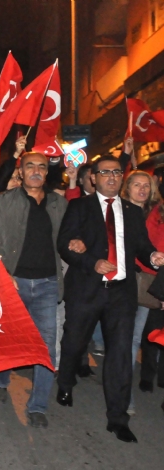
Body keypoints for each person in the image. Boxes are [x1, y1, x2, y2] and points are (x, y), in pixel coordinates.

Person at [56, 156, 164, 443]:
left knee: (119, 354)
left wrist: (152, 256)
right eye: (106, 173)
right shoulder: (79, 206)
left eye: (117, 172)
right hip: (87, 289)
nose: (112, 178)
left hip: (120, 293)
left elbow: (141, 245)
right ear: (93, 178)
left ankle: (118, 418)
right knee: (74, 343)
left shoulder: (130, 211)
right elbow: (65, 244)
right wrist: (91, 262)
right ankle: (65, 381)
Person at [0, 152, 68, 429]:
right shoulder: (5, 201)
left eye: (41, 167)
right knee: (7, 336)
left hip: (48, 284)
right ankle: (0, 379)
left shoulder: (59, 204)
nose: (35, 171)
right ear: (20, 171)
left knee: (46, 346)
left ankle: (38, 406)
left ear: (46, 173)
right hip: (14, 280)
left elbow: (66, 240)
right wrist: (4, 272)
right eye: (29, 166)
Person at [119, 170, 161, 411]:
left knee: (133, 338)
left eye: (147, 185)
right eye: (137, 185)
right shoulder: (117, 210)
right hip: (119, 280)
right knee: (121, 338)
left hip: (146, 283)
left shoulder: (158, 214)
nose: (142, 190)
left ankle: (125, 395)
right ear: (127, 188)